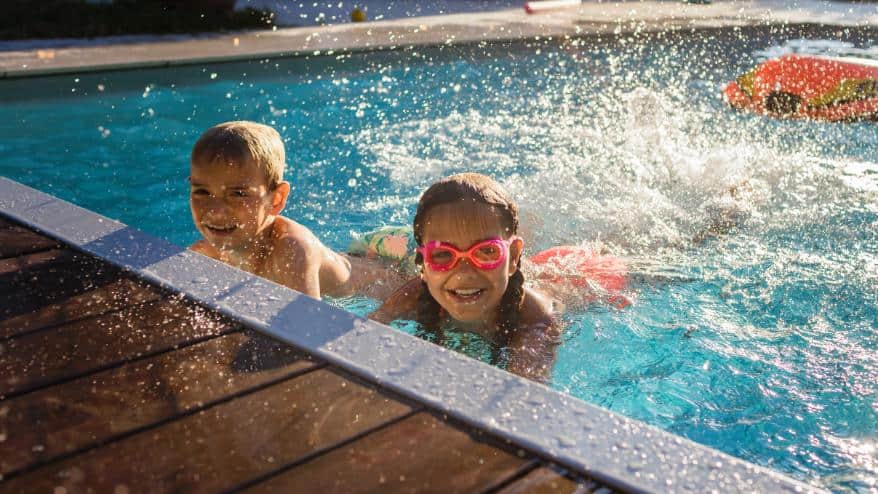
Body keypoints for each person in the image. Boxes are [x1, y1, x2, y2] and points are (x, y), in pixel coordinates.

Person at [370, 173, 569, 382]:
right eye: (443, 253)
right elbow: (360, 342)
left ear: (513, 256)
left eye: (486, 251)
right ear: (423, 264)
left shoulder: (535, 319)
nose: (465, 272)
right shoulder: (412, 297)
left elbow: (524, 394)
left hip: (565, 282)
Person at [188, 121, 405, 299]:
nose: (215, 210)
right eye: (202, 192)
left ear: (276, 199)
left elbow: (306, 336)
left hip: (393, 280)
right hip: (359, 256)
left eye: (238, 194)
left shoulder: (292, 251)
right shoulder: (206, 253)